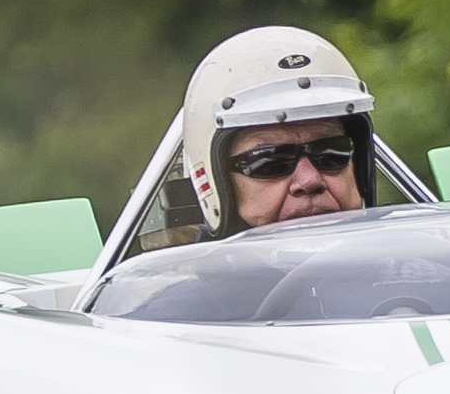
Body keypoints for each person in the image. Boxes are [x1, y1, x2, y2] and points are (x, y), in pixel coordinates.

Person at [150, 23, 388, 247]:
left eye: (332, 153)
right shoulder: (191, 290)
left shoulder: (404, 271)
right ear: (217, 181)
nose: (309, 181)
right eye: (270, 161)